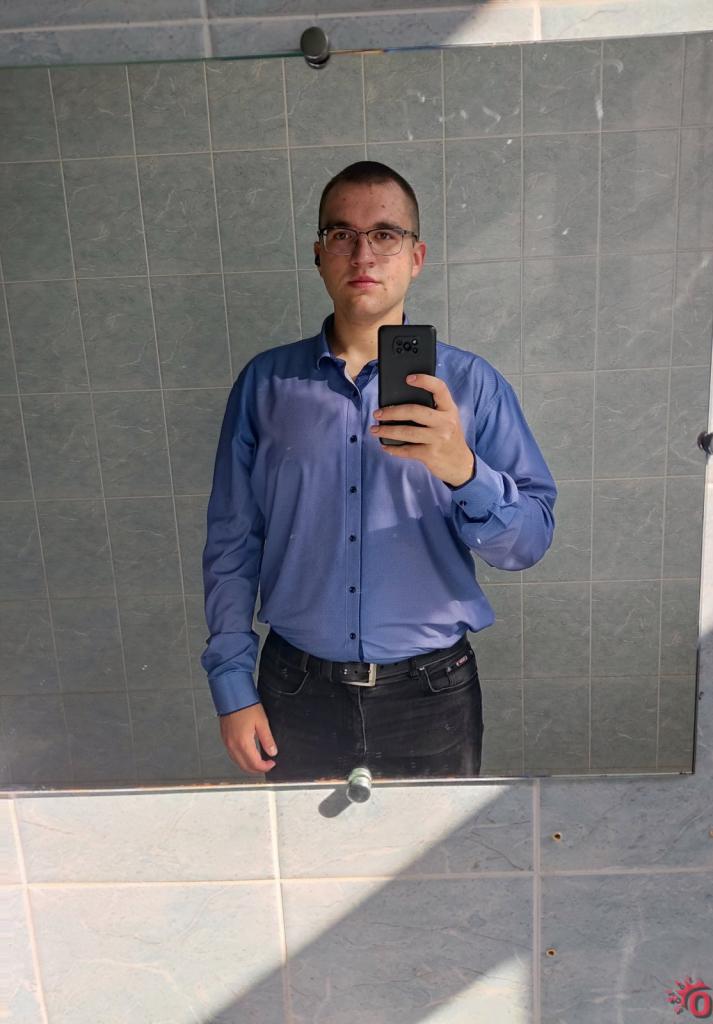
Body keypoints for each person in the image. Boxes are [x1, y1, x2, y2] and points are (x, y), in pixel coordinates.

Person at [200, 160, 557, 782]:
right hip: (293, 691)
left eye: (385, 234)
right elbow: (233, 540)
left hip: (432, 695)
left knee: (440, 850)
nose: (363, 253)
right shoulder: (265, 384)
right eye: (343, 234)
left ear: (416, 257)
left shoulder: (473, 386)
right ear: (319, 254)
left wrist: (464, 471)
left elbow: (527, 545)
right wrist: (232, 683)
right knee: (300, 849)